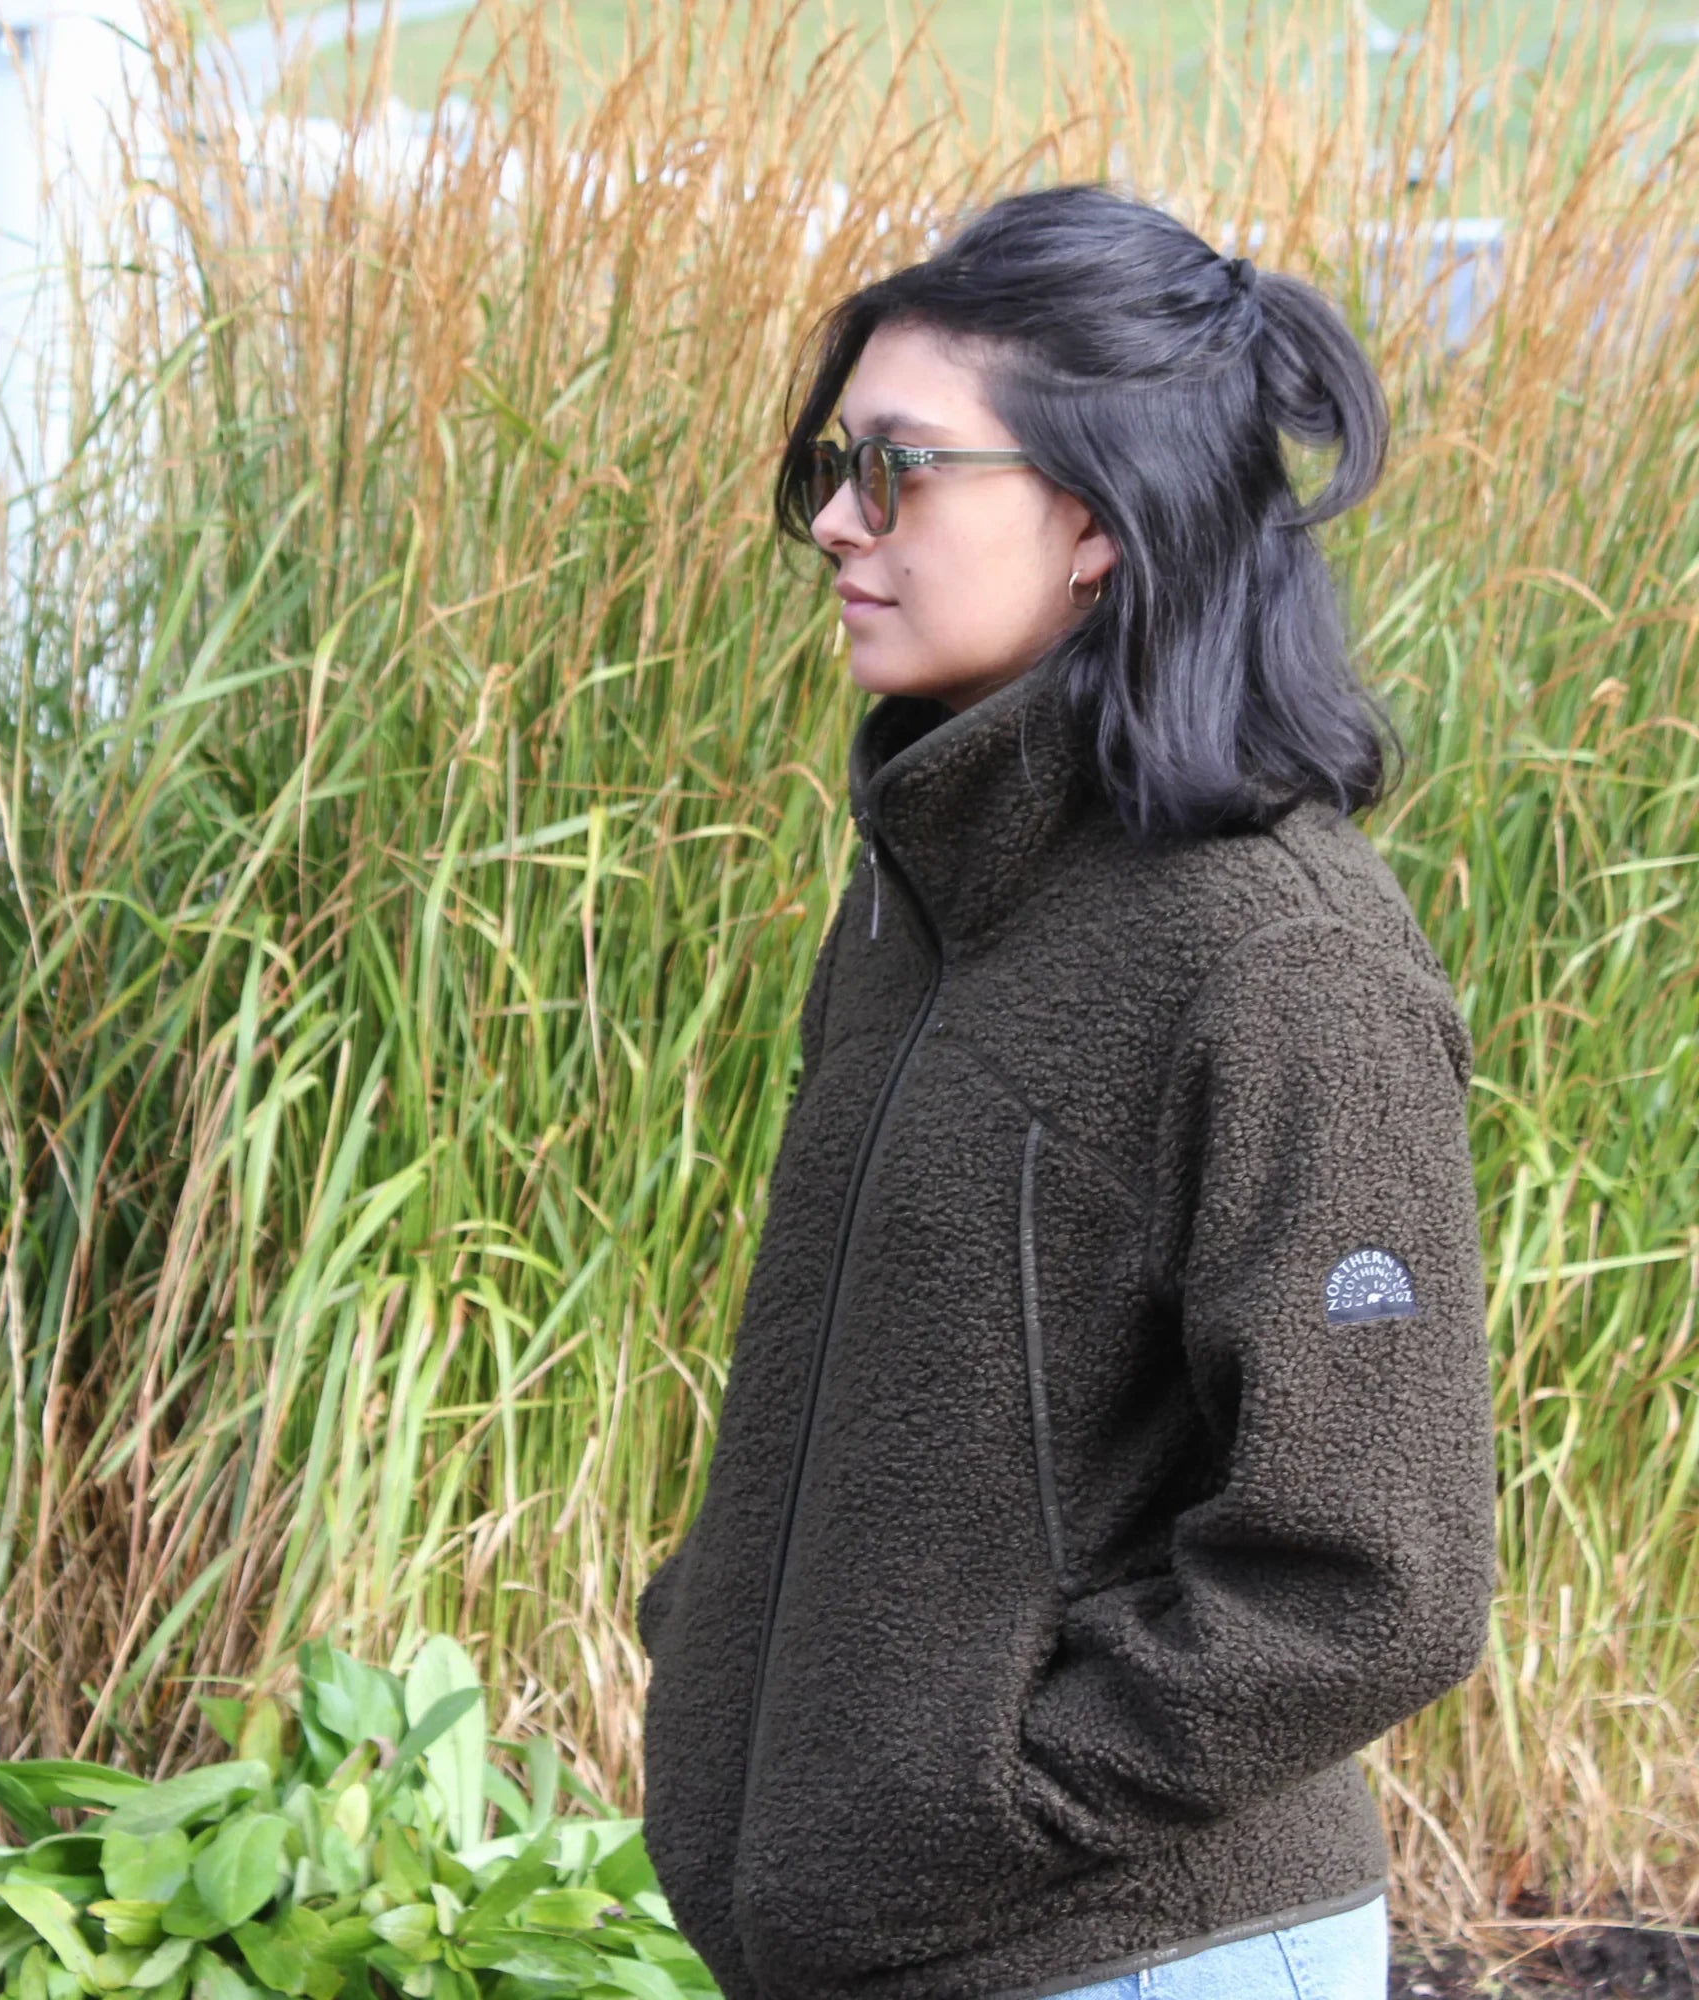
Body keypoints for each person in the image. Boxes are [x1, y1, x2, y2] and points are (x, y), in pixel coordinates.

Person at [634, 183, 1498, 2000]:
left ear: (1098, 523)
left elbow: (1377, 1571)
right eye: (830, 466)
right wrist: (712, 1651)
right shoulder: (925, 894)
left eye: (898, 471)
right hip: (890, 1944)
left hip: (1132, 1952)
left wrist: (995, 1797)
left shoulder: (1284, 960)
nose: (836, 527)